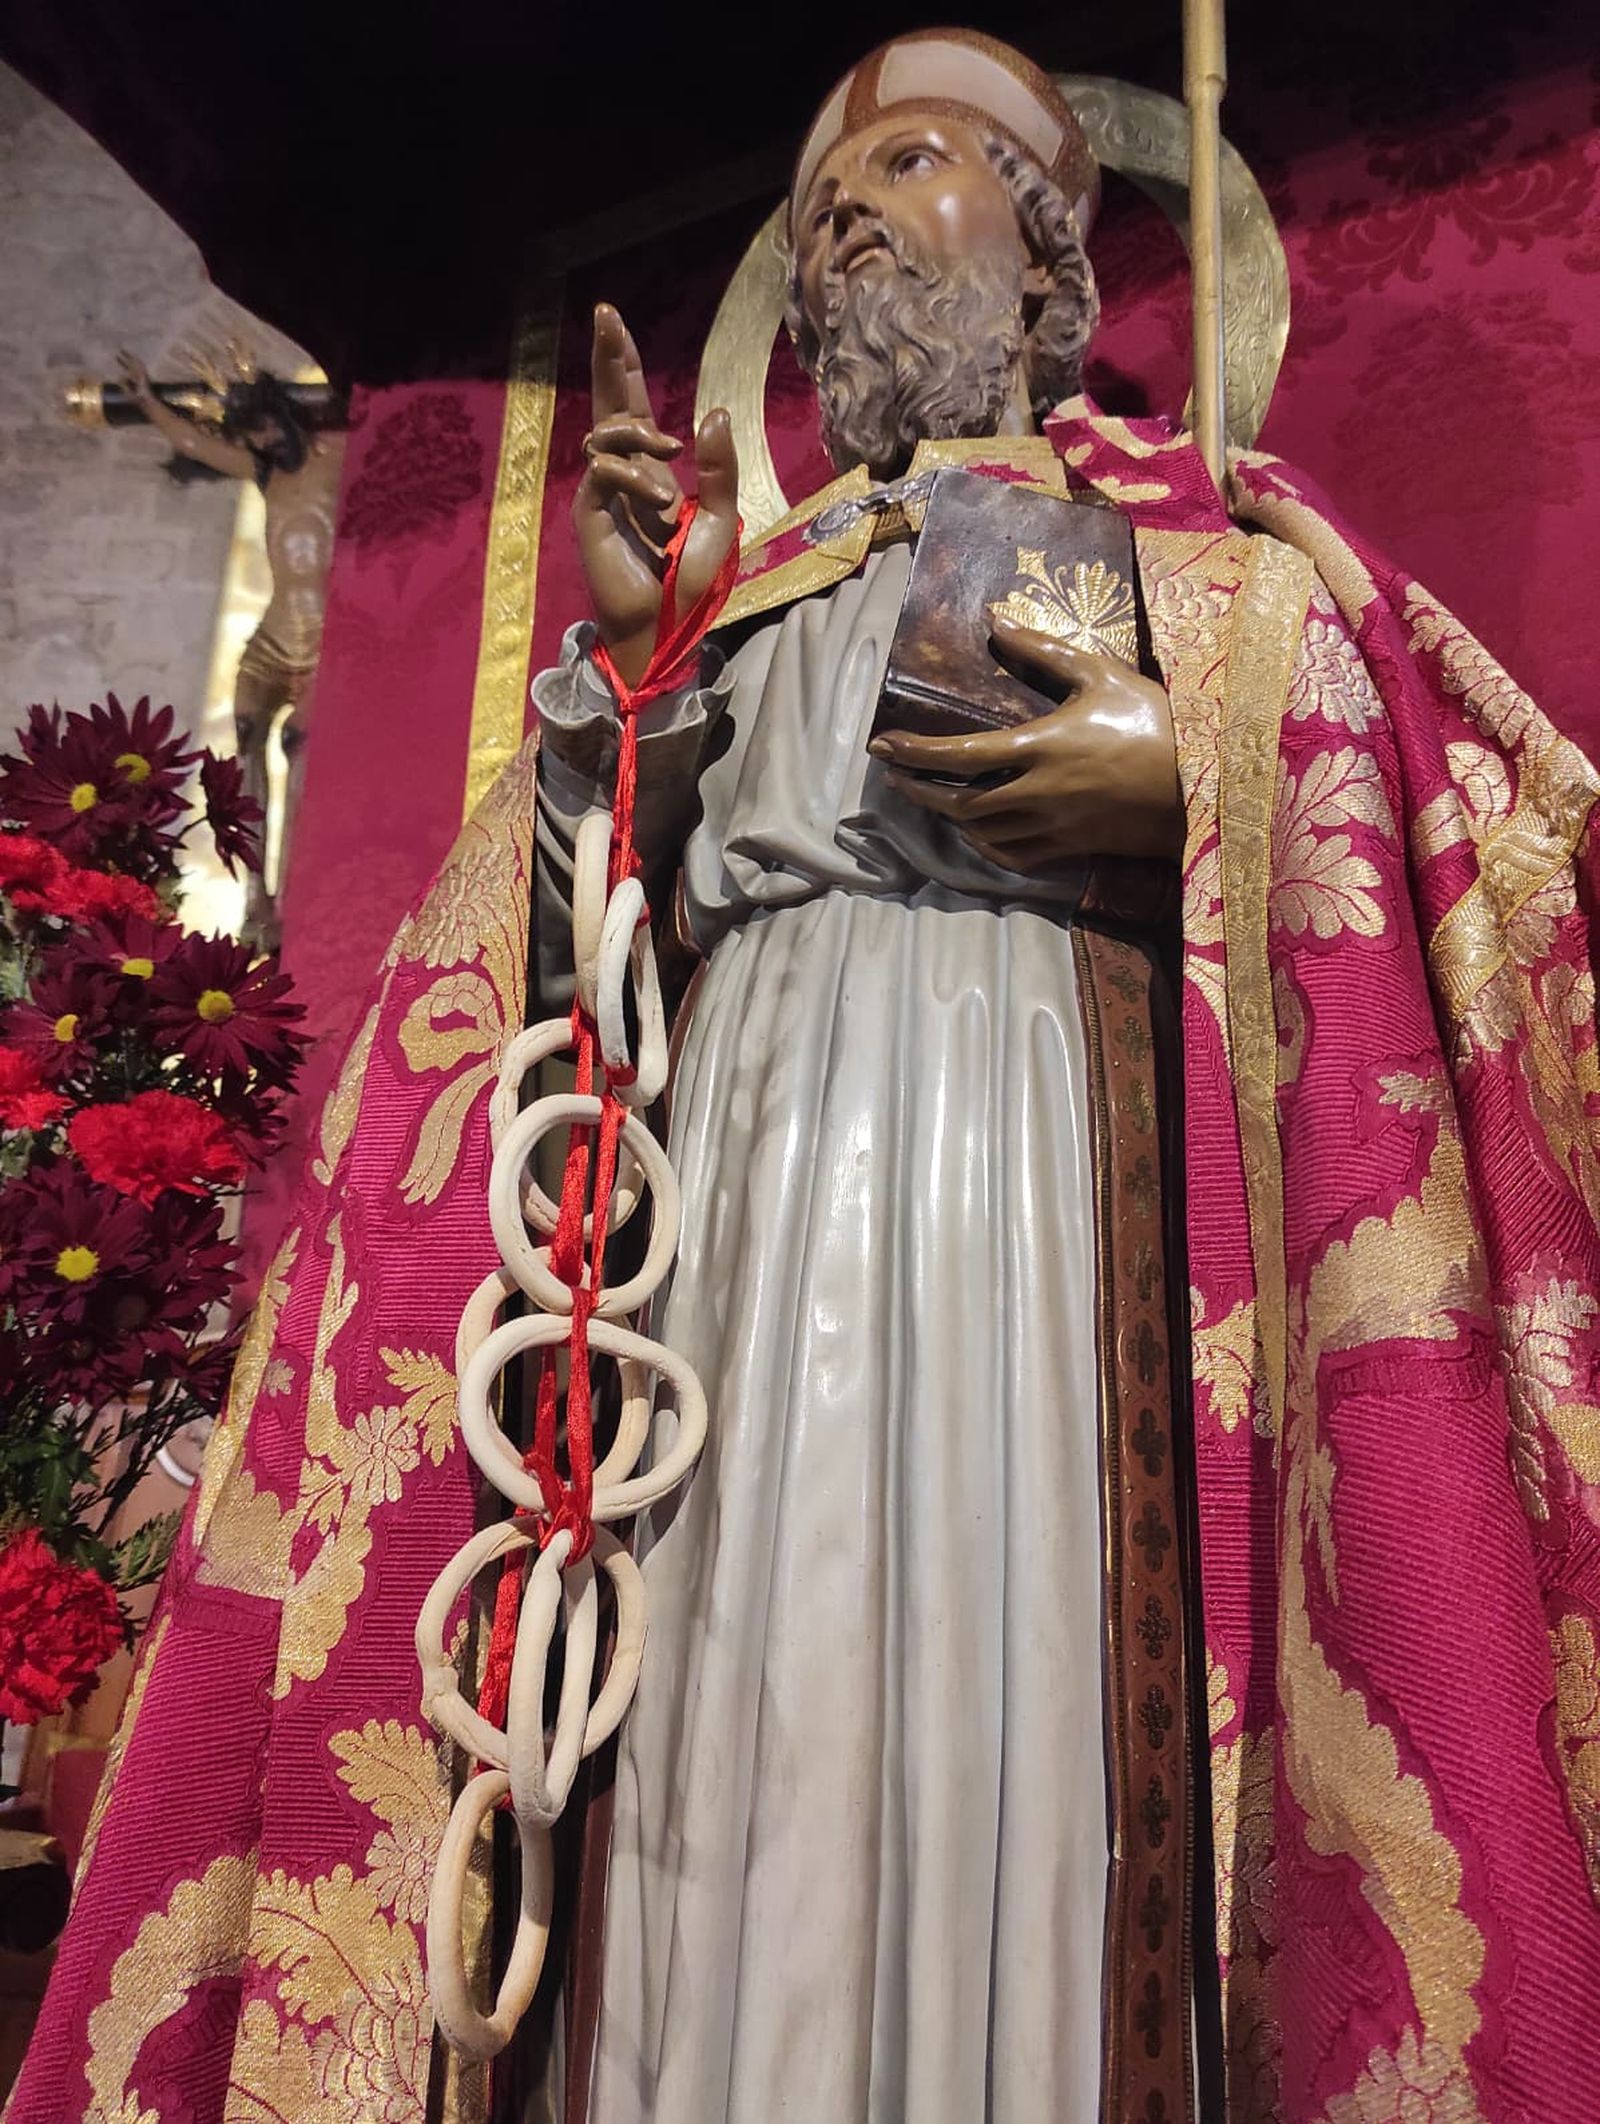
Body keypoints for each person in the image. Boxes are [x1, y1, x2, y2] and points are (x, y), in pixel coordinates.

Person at [13, 29, 1600, 2124]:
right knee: (715, 1709)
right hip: (723, 1232)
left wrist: (1164, 780)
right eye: (828, 189)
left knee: (985, 1695)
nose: (852, 207)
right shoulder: (722, 615)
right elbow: (547, 976)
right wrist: (623, 688)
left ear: (1049, 280)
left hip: (1032, 1190)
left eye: (923, 160)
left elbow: (1404, 826)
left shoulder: (1213, 567)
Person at [117, 352, 344, 952]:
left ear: (286, 416)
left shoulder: (342, 456)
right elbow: (197, 445)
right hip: (272, 636)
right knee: (244, 743)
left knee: (299, 752)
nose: (264, 440)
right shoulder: (266, 471)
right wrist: (146, 400)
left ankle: (291, 895)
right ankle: (254, 894)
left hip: (323, 642)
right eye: (253, 435)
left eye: (267, 427)